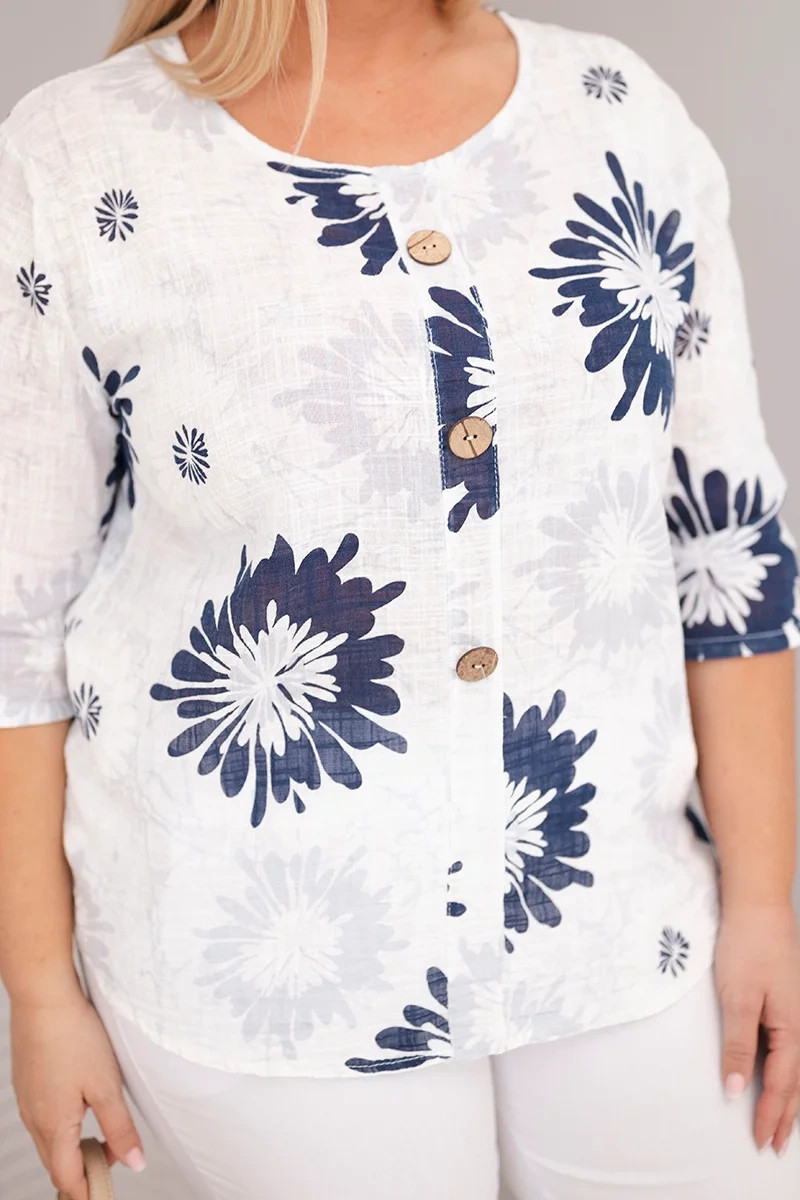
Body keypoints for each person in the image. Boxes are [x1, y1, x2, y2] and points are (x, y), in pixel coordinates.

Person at [1, 1, 799, 1197]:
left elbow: (722, 544)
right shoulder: (79, 153)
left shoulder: (614, 110)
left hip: (623, 914)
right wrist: (38, 989)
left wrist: (764, 902)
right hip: (266, 967)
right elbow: (16, 621)